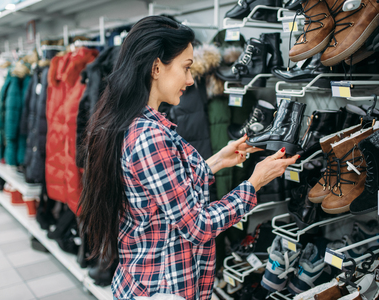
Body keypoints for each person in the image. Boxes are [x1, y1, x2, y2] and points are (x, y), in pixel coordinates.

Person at [78, 15, 300, 300]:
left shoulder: (140, 123)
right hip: (163, 288)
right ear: (157, 67)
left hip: (148, 280)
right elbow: (198, 226)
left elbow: (163, 194)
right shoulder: (150, 137)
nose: (191, 79)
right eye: (186, 68)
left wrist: (218, 160)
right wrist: (254, 183)